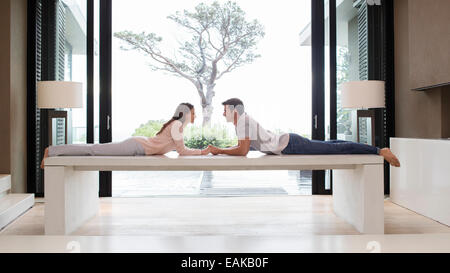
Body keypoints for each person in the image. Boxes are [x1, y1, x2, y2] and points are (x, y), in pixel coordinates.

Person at [207, 98, 401, 167]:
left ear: (234, 110)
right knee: (333, 145)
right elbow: (242, 147)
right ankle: (378, 150)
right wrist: (220, 149)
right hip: (290, 142)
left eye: (224, 109)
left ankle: (379, 151)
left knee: (337, 149)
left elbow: (242, 151)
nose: (222, 112)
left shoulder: (242, 121)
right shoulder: (242, 121)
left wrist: (219, 150)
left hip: (290, 144)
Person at [40, 102, 210, 169]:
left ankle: (53, 150)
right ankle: (52, 150)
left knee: (95, 149)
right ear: (186, 113)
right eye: (193, 113)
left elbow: (179, 149)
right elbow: (182, 151)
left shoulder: (178, 126)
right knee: (95, 149)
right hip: (136, 145)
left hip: (140, 146)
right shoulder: (177, 125)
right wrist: (204, 151)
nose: (195, 116)